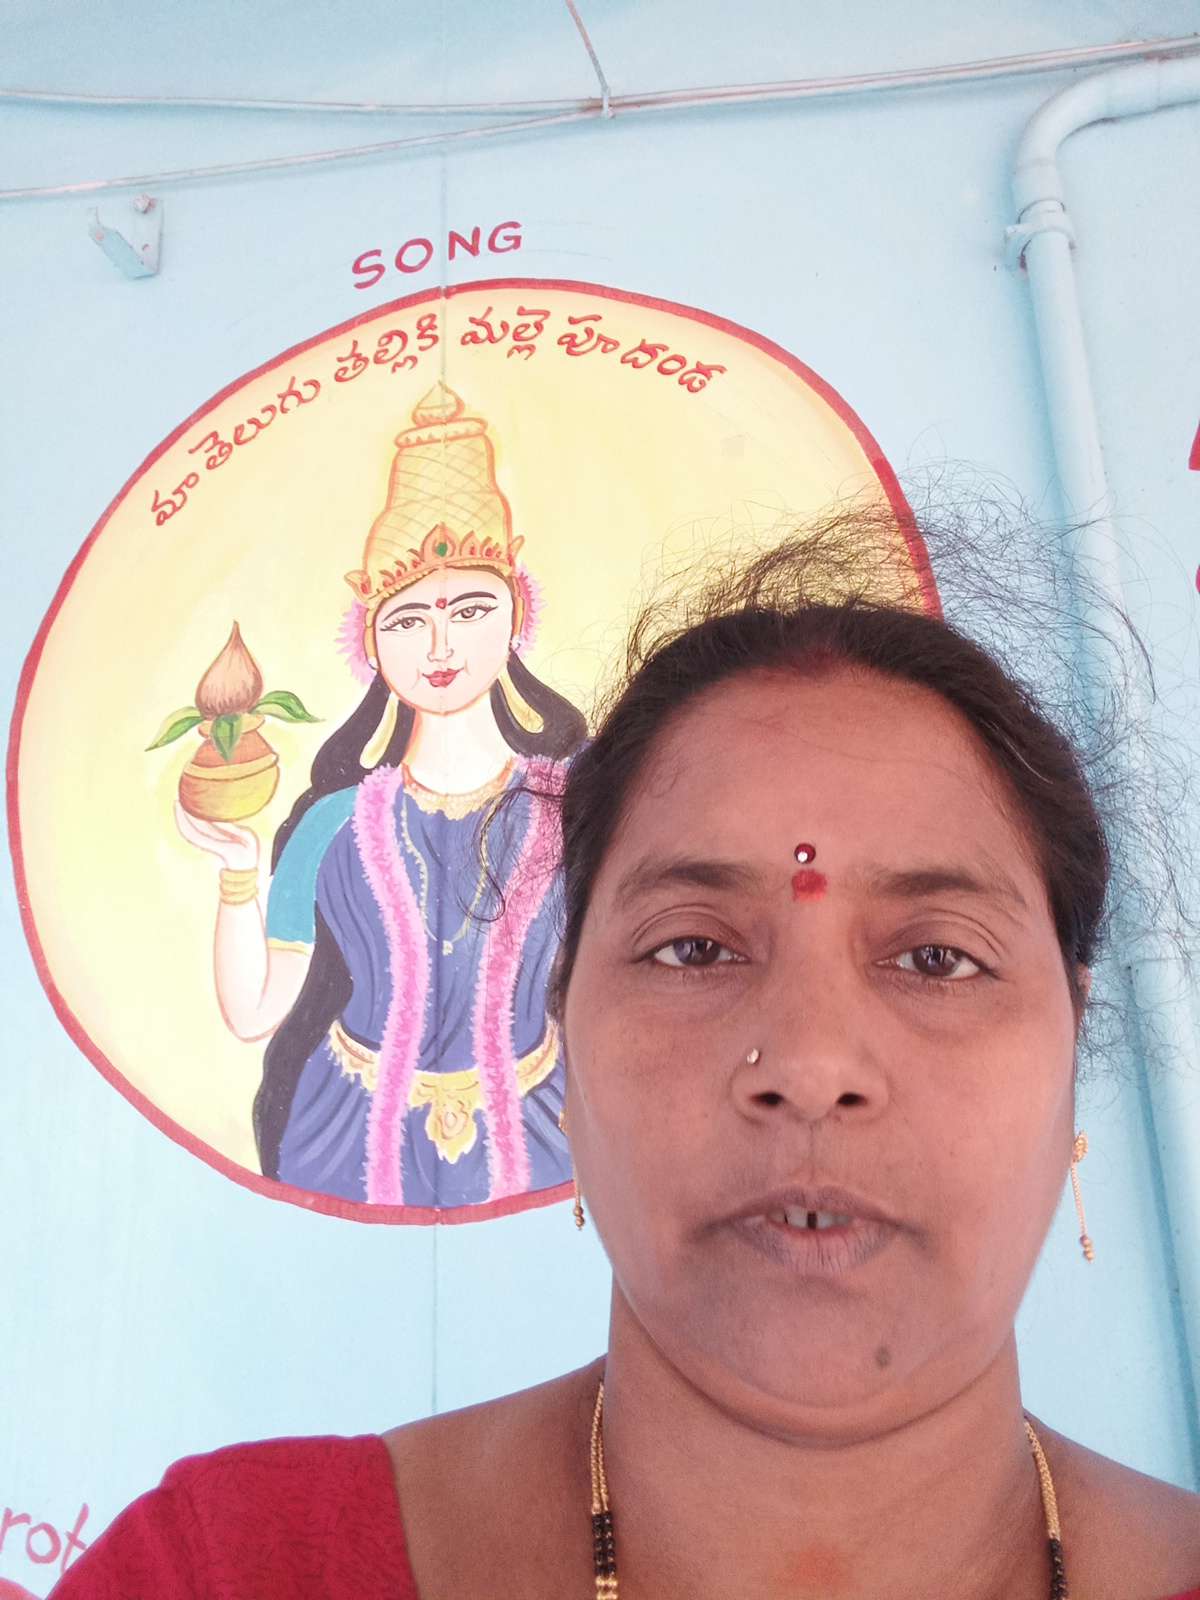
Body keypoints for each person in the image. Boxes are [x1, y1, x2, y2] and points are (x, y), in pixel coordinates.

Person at [55, 534, 1200, 1598]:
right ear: (565, 1017)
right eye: (693, 948)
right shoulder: (224, 1571)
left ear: (1072, 1036)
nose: (809, 1065)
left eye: (938, 958)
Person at [176, 382, 586, 1211]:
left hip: (552, 1127)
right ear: (371, 640)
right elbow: (254, 1013)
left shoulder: (580, 809)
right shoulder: (332, 825)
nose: (439, 645)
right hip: (345, 1133)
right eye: (407, 620)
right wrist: (239, 872)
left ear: (516, 616)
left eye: (470, 610)